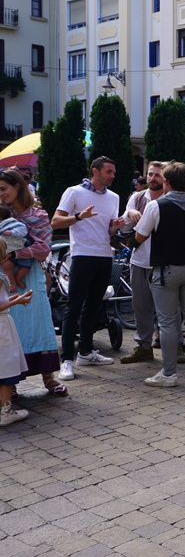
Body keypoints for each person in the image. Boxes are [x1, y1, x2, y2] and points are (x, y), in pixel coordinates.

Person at [135, 162, 185, 387]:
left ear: (166, 182)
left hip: (165, 270)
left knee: (167, 322)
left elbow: (140, 236)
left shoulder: (156, 206)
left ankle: (168, 374)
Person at [52, 157, 127, 379]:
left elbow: (108, 231)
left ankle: (85, 351)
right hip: (82, 255)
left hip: (105, 256)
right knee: (74, 306)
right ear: (95, 171)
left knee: (94, 305)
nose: (113, 176)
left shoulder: (114, 197)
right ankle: (67, 359)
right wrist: (78, 217)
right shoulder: (74, 192)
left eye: (114, 172)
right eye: (108, 171)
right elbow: (55, 221)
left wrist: (115, 227)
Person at [0, 170, 64, 396]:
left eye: (4, 189)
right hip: (5, 279)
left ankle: (49, 378)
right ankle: (10, 385)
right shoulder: (1, 215)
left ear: (17, 186)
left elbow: (43, 249)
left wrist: (14, 253)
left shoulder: (39, 215)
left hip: (32, 276)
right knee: (10, 329)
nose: (1, 194)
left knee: (40, 325)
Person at [119, 161, 168, 364]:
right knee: (141, 306)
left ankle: (173, 345)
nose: (152, 178)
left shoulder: (170, 198)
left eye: (157, 175)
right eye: (150, 174)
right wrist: (129, 213)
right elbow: (124, 227)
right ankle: (144, 346)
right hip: (139, 260)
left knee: (168, 308)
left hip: (163, 261)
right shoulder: (137, 197)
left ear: (165, 179)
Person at [0, 239, 32, 426]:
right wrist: (17, 301)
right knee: (5, 368)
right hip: (1, 328)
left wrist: (12, 299)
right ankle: (6, 411)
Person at [0, 204, 33, 293]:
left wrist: (12, 232)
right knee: (7, 266)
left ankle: (18, 279)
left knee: (26, 266)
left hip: (20, 248)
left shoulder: (11, 223)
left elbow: (23, 230)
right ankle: (12, 284)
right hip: (6, 251)